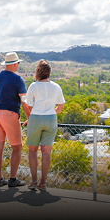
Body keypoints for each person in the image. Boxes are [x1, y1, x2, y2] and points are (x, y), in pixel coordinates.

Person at [22, 59, 65, 190]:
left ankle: (34, 180)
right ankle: (43, 182)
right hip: (51, 119)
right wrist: (52, 113)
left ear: (38, 72)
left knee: (32, 150)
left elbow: (28, 105)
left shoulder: (33, 86)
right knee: (46, 152)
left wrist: (31, 118)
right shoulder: (56, 86)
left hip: (35, 118)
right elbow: (61, 106)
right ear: (49, 72)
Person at [0, 51, 28, 187]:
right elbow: (24, 101)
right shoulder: (18, 79)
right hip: (9, 114)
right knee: (17, 147)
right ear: (16, 64)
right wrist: (30, 117)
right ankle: (12, 179)